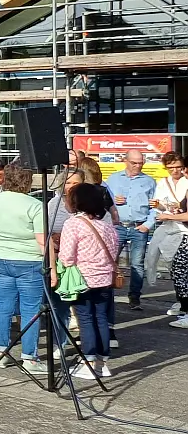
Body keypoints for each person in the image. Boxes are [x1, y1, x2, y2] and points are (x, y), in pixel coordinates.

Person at [0, 164, 48, 374]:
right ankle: (30, 357)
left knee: (2, 305)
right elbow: (42, 240)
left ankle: (1, 353)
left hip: (0, 258)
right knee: (30, 309)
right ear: (27, 181)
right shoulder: (35, 205)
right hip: (29, 260)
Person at [55, 183, 121, 381]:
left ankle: (88, 362)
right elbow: (115, 251)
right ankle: (102, 363)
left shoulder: (73, 224)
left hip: (83, 280)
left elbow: (66, 258)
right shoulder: (106, 226)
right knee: (101, 318)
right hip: (105, 279)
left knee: (85, 319)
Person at [106, 149, 156, 314]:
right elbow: (103, 200)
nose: (138, 166)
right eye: (134, 163)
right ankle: (106, 294)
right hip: (118, 226)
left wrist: (148, 224)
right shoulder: (113, 179)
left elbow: (154, 206)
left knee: (137, 264)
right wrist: (113, 200)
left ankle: (134, 297)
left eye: (141, 163)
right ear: (125, 161)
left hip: (139, 226)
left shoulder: (149, 181)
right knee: (110, 261)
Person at [146, 152, 188, 295]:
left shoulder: (187, 180)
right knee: (156, 256)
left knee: (180, 265)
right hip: (169, 225)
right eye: (171, 168)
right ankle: (180, 298)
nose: (175, 170)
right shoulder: (163, 182)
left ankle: (183, 300)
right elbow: (161, 206)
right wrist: (158, 205)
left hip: (184, 228)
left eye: (178, 167)